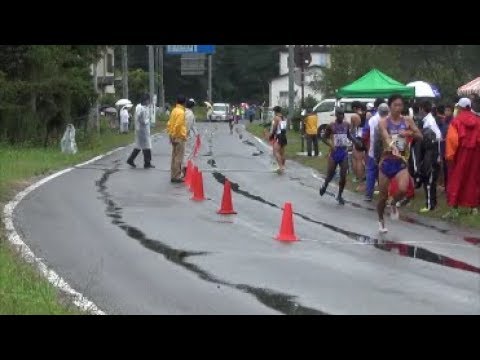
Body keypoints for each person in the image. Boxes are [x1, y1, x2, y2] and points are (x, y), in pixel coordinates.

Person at [377, 95, 422, 233]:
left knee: (403, 189)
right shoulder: (384, 122)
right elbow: (385, 135)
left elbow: (420, 135)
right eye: (395, 105)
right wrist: (393, 145)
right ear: (390, 106)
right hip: (386, 161)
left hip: (401, 161)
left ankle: (393, 202)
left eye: (400, 105)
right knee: (383, 196)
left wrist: (408, 132)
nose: (398, 108)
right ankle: (380, 220)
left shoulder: (407, 120)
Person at [445, 97, 480, 217]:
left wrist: (450, 156)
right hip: (475, 155)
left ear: (460, 107)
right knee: (473, 180)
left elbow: (452, 140)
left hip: (460, 154)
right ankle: (474, 208)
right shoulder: (478, 120)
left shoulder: (456, 121)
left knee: (456, 179)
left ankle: (454, 209)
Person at [319, 107, 351, 205]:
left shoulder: (346, 124)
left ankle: (340, 195)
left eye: (342, 114)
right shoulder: (331, 125)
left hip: (343, 153)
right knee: (330, 174)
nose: (341, 116)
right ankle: (324, 185)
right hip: (334, 153)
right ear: (336, 115)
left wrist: (355, 141)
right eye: (339, 114)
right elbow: (324, 138)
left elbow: (349, 135)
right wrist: (331, 145)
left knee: (343, 175)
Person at [418, 100, 442, 212]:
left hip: (432, 153)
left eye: (420, 108)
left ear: (422, 109)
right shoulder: (427, 120)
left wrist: (437, 155)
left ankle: (430, 205)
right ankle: (431, 203)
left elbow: (438, 137)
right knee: (427, 178)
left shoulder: (429, 122)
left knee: (429, 179)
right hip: (429, 152)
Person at [364, 101, 389, 202]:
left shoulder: (372, 119)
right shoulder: (389, 120)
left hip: (373, 149)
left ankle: (369, 194)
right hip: (385, 150)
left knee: (371, 171)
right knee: (384, 173)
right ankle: (384, 195)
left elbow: (365, 133)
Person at [126, 94, 155, 169]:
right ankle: (147, 163)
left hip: (142, 130)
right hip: (142, 130)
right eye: (148, 100)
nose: (149, 102)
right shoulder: (141, 108)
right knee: (147, 146)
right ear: (145, 100)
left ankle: (131, 159)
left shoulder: (142, 107)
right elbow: (142, 120)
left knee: (139, 146)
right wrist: (148, 120)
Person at [167, 95, 187, 183]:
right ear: (184, 103)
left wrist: (170, 134)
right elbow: (178, 125)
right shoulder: (181, 112)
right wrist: (174, 134)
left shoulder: (174, 110)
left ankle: (173, 175)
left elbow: (169, 123)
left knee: (174, 156)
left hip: (173, 136)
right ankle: (176, 176)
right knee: (178, 157)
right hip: (179, 136)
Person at [350, 101, 367, 184]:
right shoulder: (368, 114)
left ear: (354, 108)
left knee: (357, 159)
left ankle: (359, 179)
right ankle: (363, 176)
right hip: (366, 138)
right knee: (364, 158)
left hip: (358, 138)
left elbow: (352, 129)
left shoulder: (354, 116)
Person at [269, 106, 288, 174]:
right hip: (284, 135)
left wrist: (272, 135)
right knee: (282, 152)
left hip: (279, 136)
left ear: (275, 111)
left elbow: (275, 127)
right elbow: (284, 127)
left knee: (276, 151)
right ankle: (283, 166)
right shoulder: (284, 117)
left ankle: (280, 167)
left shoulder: (276, 118)